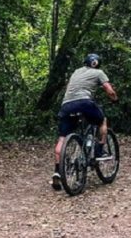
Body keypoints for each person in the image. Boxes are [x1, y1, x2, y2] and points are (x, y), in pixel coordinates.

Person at [51, 53, 118, 190]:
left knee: (63, 138)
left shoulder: (76, 72)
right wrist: (115, 99)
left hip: (67, 105)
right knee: (102, 120)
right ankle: (99, 151)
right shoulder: (99, 72)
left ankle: (58, 170)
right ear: (98, 63)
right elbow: (109, 90)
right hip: (85, 103)